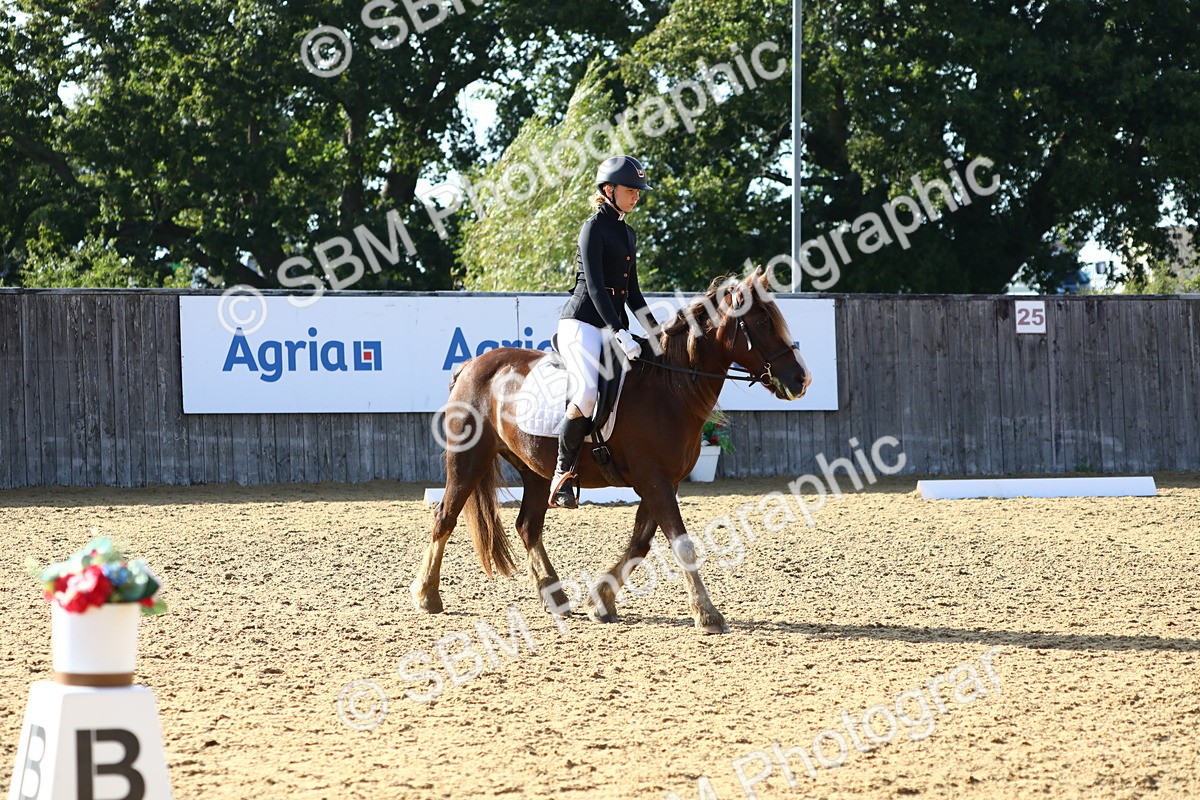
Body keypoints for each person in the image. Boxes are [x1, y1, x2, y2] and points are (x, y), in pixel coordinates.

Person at [549, 155, 654, 509]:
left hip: (612, 326)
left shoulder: (628, 233)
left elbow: (633, 293)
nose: (636, 196)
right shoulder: (592, 228)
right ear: (609, 190)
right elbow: (595, 288)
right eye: (630, 190)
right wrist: (620, 330)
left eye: (638, 191)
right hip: (581, 324)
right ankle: (562, 472)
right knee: (587, 394)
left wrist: (656, 331)